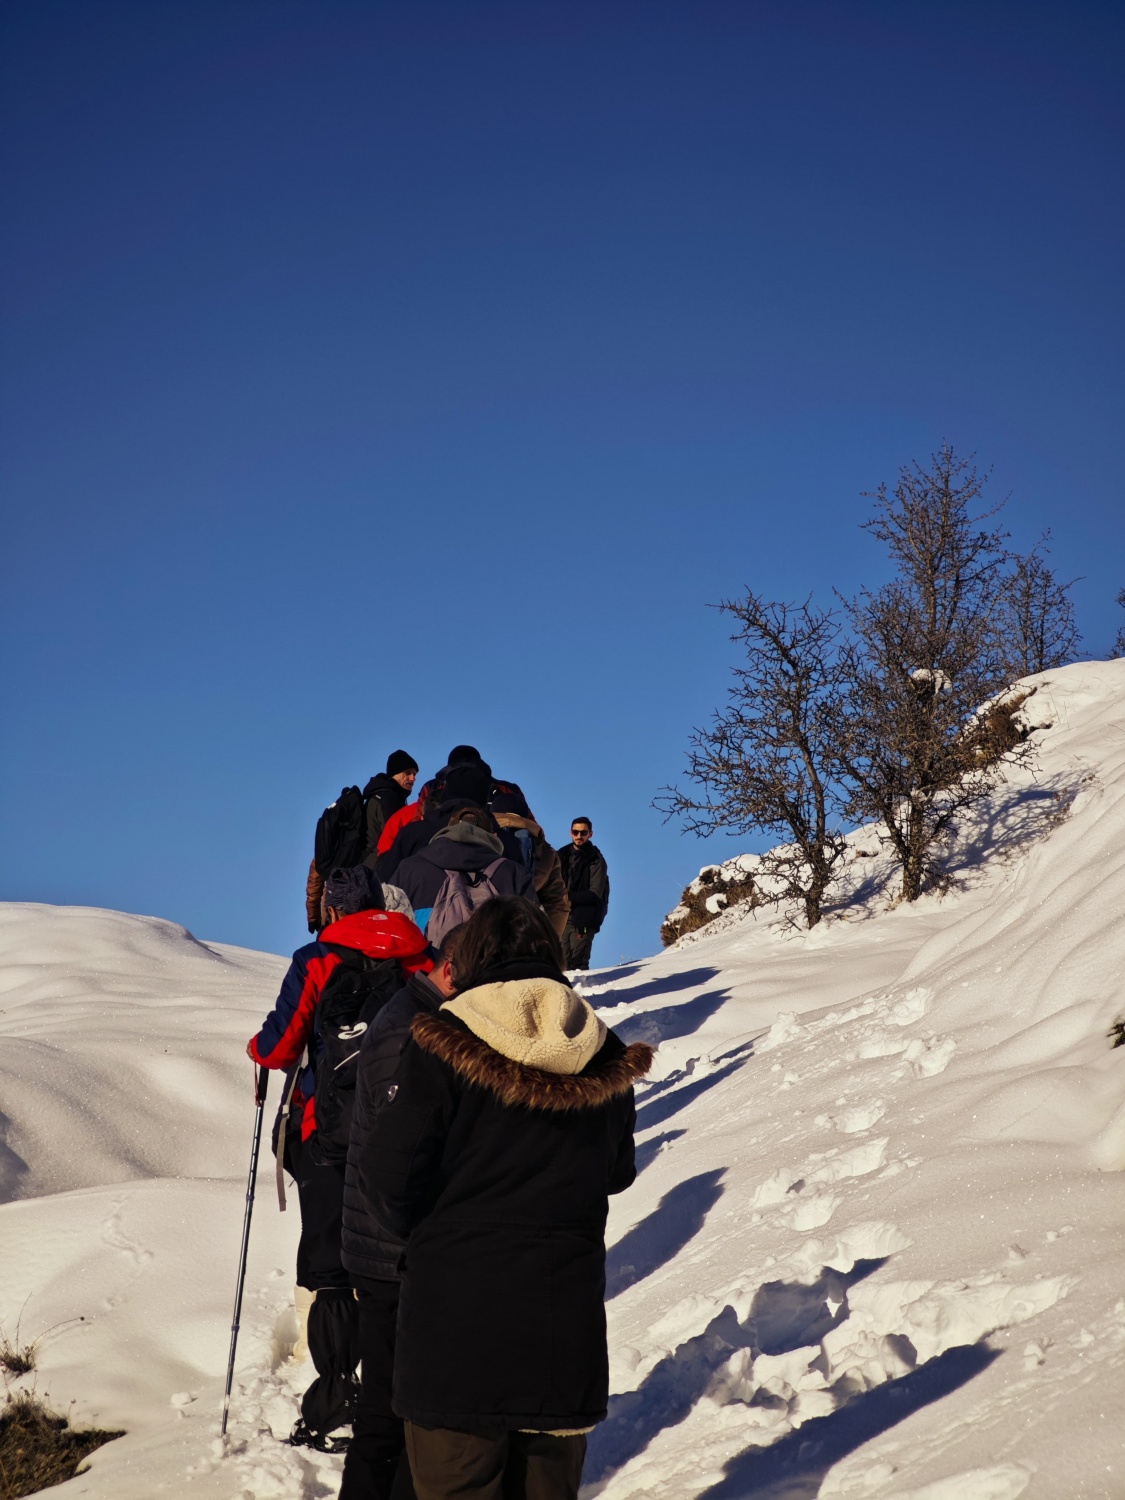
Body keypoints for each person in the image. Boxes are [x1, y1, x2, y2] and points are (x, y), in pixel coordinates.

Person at [354, 896, 652, 1500]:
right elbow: (617, 1172)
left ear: (472, 958)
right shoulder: (601, 1050)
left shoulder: (441, 1042)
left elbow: (387, 1176)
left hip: (454, 1332)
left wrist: (434, 1239)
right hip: (559, 1328)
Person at [247, 866, 430, 1449]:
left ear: (331, 911)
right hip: (408, 1133)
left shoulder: (317, 958)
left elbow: (279, 1047)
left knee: (330, 1266)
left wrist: (257, 1047)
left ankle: (335, 1399)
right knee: (401, 1261)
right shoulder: (420, 956)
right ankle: (405, 1395)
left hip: (325, 1134)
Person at [337, 924, 464, 1500]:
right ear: (454, 970)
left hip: (387, 1246)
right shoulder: (410, 1028)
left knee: (395, 1407)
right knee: (389, 1413)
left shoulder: (416, 1015)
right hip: (389, 1252)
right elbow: (395, 1157)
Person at [393, 805, 537, 936]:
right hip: (491, 962)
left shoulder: (411, 867)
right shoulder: (514, 873)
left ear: (447, 830)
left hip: (425, 961)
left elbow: (389, 922)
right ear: (493, 836)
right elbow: (532, 933)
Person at [489, 788, 570, 938]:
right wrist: (549, 941)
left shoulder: (484, 837)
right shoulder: (546, 851)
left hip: (485, 925)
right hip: (524, 928)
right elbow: (558, 904)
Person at [558, 818, 609, 970]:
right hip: (562, 915)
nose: (579, 836)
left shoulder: (596, 859)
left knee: (578, 963)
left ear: (590, 834)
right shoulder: (561, 855)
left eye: (583, 832)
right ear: (570, 833)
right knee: (561, 962)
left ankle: (583, 991)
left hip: (585, 917)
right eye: (576, 832)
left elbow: (595, 893)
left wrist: (567, 898)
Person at [363, 751, 420, 864]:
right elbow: (393, 838)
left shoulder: (381, 794)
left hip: (370, 863)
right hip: (379, 866)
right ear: (395, 774)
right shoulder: (389, 798)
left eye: (414, 774)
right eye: (408, 773)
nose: (413, 779)